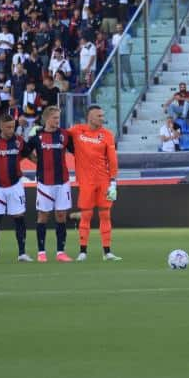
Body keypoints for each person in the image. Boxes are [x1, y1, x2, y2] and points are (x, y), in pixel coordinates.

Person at [71, 105, 121, 262]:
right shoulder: (77, 131)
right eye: (99, 116)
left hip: (103, 181)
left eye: (102, 115)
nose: (102, 118)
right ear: (90, 117)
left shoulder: (107, 135)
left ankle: (107, 252)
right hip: (86, 182)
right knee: (86, 215)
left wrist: (113, 181)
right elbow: (60, 137)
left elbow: (112, 160)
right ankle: (82, 251)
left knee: (105, 215)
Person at [0, 113, 31, 263]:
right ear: (1, 126)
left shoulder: (19, 141)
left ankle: (22, 253)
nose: (11, 130)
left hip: (15, 185)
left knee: (19, 218)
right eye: (8, 127)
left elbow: (29, 156)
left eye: (13, 127)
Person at [28, 106, 75, 263]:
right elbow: (25, 152)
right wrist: (36, 161)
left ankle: (60, 252)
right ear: (47, 119)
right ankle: (41, 252)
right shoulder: (37, 136)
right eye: (55, 118)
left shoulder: (64, 135)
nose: (57, 120)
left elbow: (76, 151)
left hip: (62, 182)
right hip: (44, 182)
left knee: (61, 215)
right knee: (43, 215)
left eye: (58, 118)